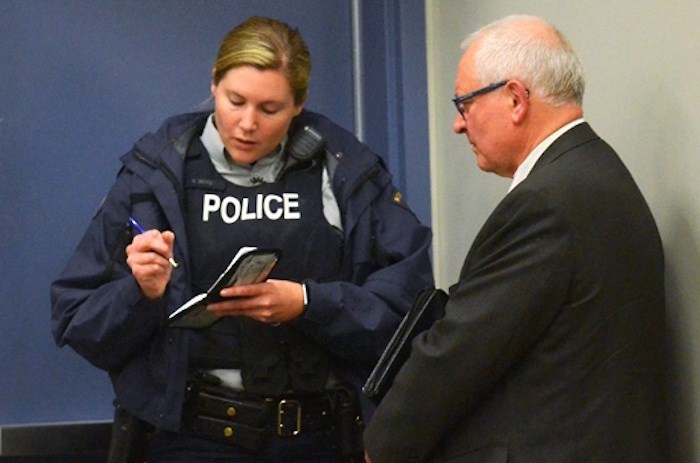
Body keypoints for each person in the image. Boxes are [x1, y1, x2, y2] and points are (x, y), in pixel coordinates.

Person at [50, 16, 434, 463]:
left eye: (270, 109)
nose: (247, 123)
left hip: (320, 434)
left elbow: (411, 314)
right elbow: (76, 320)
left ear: (299, 104)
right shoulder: (153, 176)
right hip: (192, 435)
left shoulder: (347, 172)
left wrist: (310, 304)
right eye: (235, 101)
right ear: (213, 83)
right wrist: (141, 293)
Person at [364, 14, 666, 463]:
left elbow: (459, 352)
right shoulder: (597, 172)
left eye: (463, 103)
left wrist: (382, 444)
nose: (458, 125)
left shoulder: (545, 203)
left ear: (515, 99)